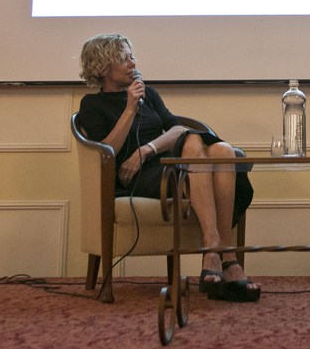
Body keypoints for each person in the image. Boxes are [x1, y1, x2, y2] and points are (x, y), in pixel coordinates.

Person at [77, 33, 260, 302]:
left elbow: (177, 128)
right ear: (103, 67)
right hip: (133, 177)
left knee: (222, 150)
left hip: (164, 164)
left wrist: (146, 150)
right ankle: (225, 257)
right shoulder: (92, 104)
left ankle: (215, 251)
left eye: (132, 57)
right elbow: (107, 152)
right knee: (197, 143)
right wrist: (129, 109)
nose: (133, 63)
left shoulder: (149, 94)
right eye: (124, 58)